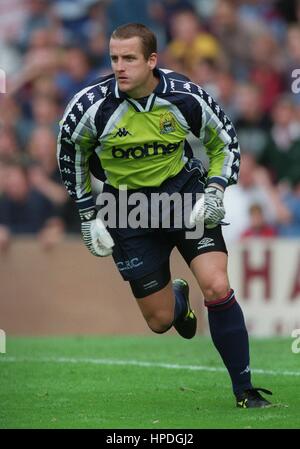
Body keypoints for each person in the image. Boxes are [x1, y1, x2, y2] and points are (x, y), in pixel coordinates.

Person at [57, 23, 272, 408]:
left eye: (129, 58)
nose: (119, 67)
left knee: (217, 286)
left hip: (182, 196)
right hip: (126, 208)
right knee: (159, 322)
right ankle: (176, 298)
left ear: (152, 60)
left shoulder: (186, 96)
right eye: (114, 58)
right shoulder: (89, 107)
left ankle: (245, 391)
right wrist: (89, 215)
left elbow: (224, 141)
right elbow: (70, 157)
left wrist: (216, 188)